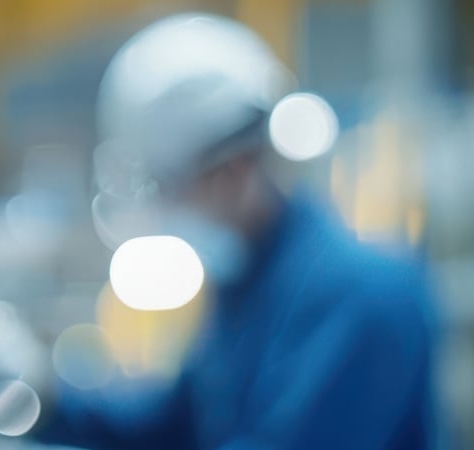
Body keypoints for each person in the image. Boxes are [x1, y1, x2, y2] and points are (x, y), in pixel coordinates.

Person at [30, 13, 440, 449]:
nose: (165, 212)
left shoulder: (363, 294)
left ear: (235, 169)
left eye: (170, 187)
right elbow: (173, 421)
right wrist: (41, 396)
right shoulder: (245, 283)